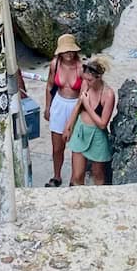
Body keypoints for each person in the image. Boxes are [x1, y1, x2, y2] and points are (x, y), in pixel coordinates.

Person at [64, 55, 116, 186]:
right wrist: (69, 126)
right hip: (81, 129)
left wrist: (87, 105)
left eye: (90, 80)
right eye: (85, 79)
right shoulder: (85, 84)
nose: (87, 82)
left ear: (98, 77)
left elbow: (103, 124)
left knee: (97, 173)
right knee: (77, 174)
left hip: (97, 134)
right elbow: (77, 106)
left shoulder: (108, 94)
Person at [44, 33, 83, 187]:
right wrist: (48, 106)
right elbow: (49, 85)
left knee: (76, 145)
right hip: (59, 103)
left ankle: (74, 178)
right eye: (66, 50)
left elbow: (83, 93)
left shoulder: (81, 67)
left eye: (71, 50)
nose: (69, 53)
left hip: (75, 104)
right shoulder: (55, 64)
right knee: (57, 147)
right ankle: (57, 175)